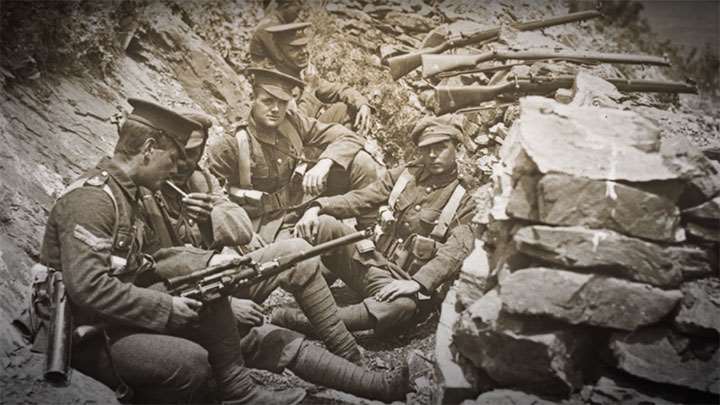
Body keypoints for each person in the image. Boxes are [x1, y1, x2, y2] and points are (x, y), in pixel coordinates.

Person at [37, 98, 305, 404]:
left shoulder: (130, 195)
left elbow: (148, 262)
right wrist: (165, 306)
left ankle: (238, 390)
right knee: (189, 362)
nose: (178, 167)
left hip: (113, 318)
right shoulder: (94, 200)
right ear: (149, 149)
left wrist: (207, 263)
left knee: (207, 285)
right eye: (173, 157)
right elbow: (89, 287)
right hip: (82, 335)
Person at [143, 112, 408, 401]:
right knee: (269, 339)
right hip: (176, 302)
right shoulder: (141, 191)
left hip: (211, 284)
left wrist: (213, 214)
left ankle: (350, 355)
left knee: (298, 254)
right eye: (177, 153)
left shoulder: (198, 180)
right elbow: (144, 277)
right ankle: (367, 383)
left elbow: (241, 231)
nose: (183, 162)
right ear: (154, 148)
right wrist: (227, 304)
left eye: (193, 153)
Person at [273, 116, 476, 337]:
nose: (433, 155)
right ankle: (306, 284)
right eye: (427, 149)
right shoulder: (406, 175)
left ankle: (301, 320)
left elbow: (456, 250)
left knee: (401, 307)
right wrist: (318, 207)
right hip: (370, 263)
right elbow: (362, 198)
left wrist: (419, 283)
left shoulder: (465, 199)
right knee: (323, 224)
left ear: (457, 147)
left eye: (441, 147)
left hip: (402, 284)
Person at [207, 68, 379, 243]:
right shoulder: (231, 144)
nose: (276, 109)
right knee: (304, 251)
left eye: (282, 102)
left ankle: (370, 235)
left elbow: (349, 136)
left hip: (302, 197)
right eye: (268, 101)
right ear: (252, 99)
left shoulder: (292, 122)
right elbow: (209, 195)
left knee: (362, 163)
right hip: (269, 222)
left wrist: (324, 163)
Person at [256, 21, 373, 134]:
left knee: (344, 109)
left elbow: (339, 90)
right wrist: (309, 91)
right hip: (287, 143)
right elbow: (295, 128)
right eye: (294, 49)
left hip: (305, 133)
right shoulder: (273, 80)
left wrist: (362, 104)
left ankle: (350, 145)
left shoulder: (301, 74)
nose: (304, 52)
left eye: (304, 46)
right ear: (279, 54)